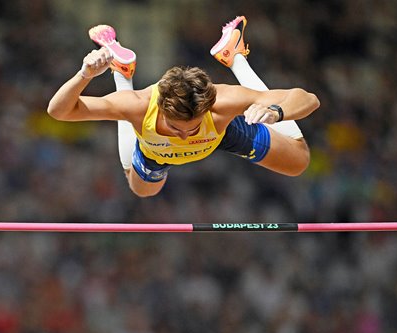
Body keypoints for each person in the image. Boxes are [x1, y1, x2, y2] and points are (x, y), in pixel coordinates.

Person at [48, 16, 320, 197]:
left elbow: (307, 98)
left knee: (298, 161)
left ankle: (234, 56)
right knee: (143, 190)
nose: (185, 136)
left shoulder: (221, 104)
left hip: (221, 134)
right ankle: (122, 73)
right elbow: (59, 111)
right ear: (162, 109)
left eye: (192, 128)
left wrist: (275, 111)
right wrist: (84, 75)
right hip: (156, 150)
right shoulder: (138, 105)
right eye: (176, 128)